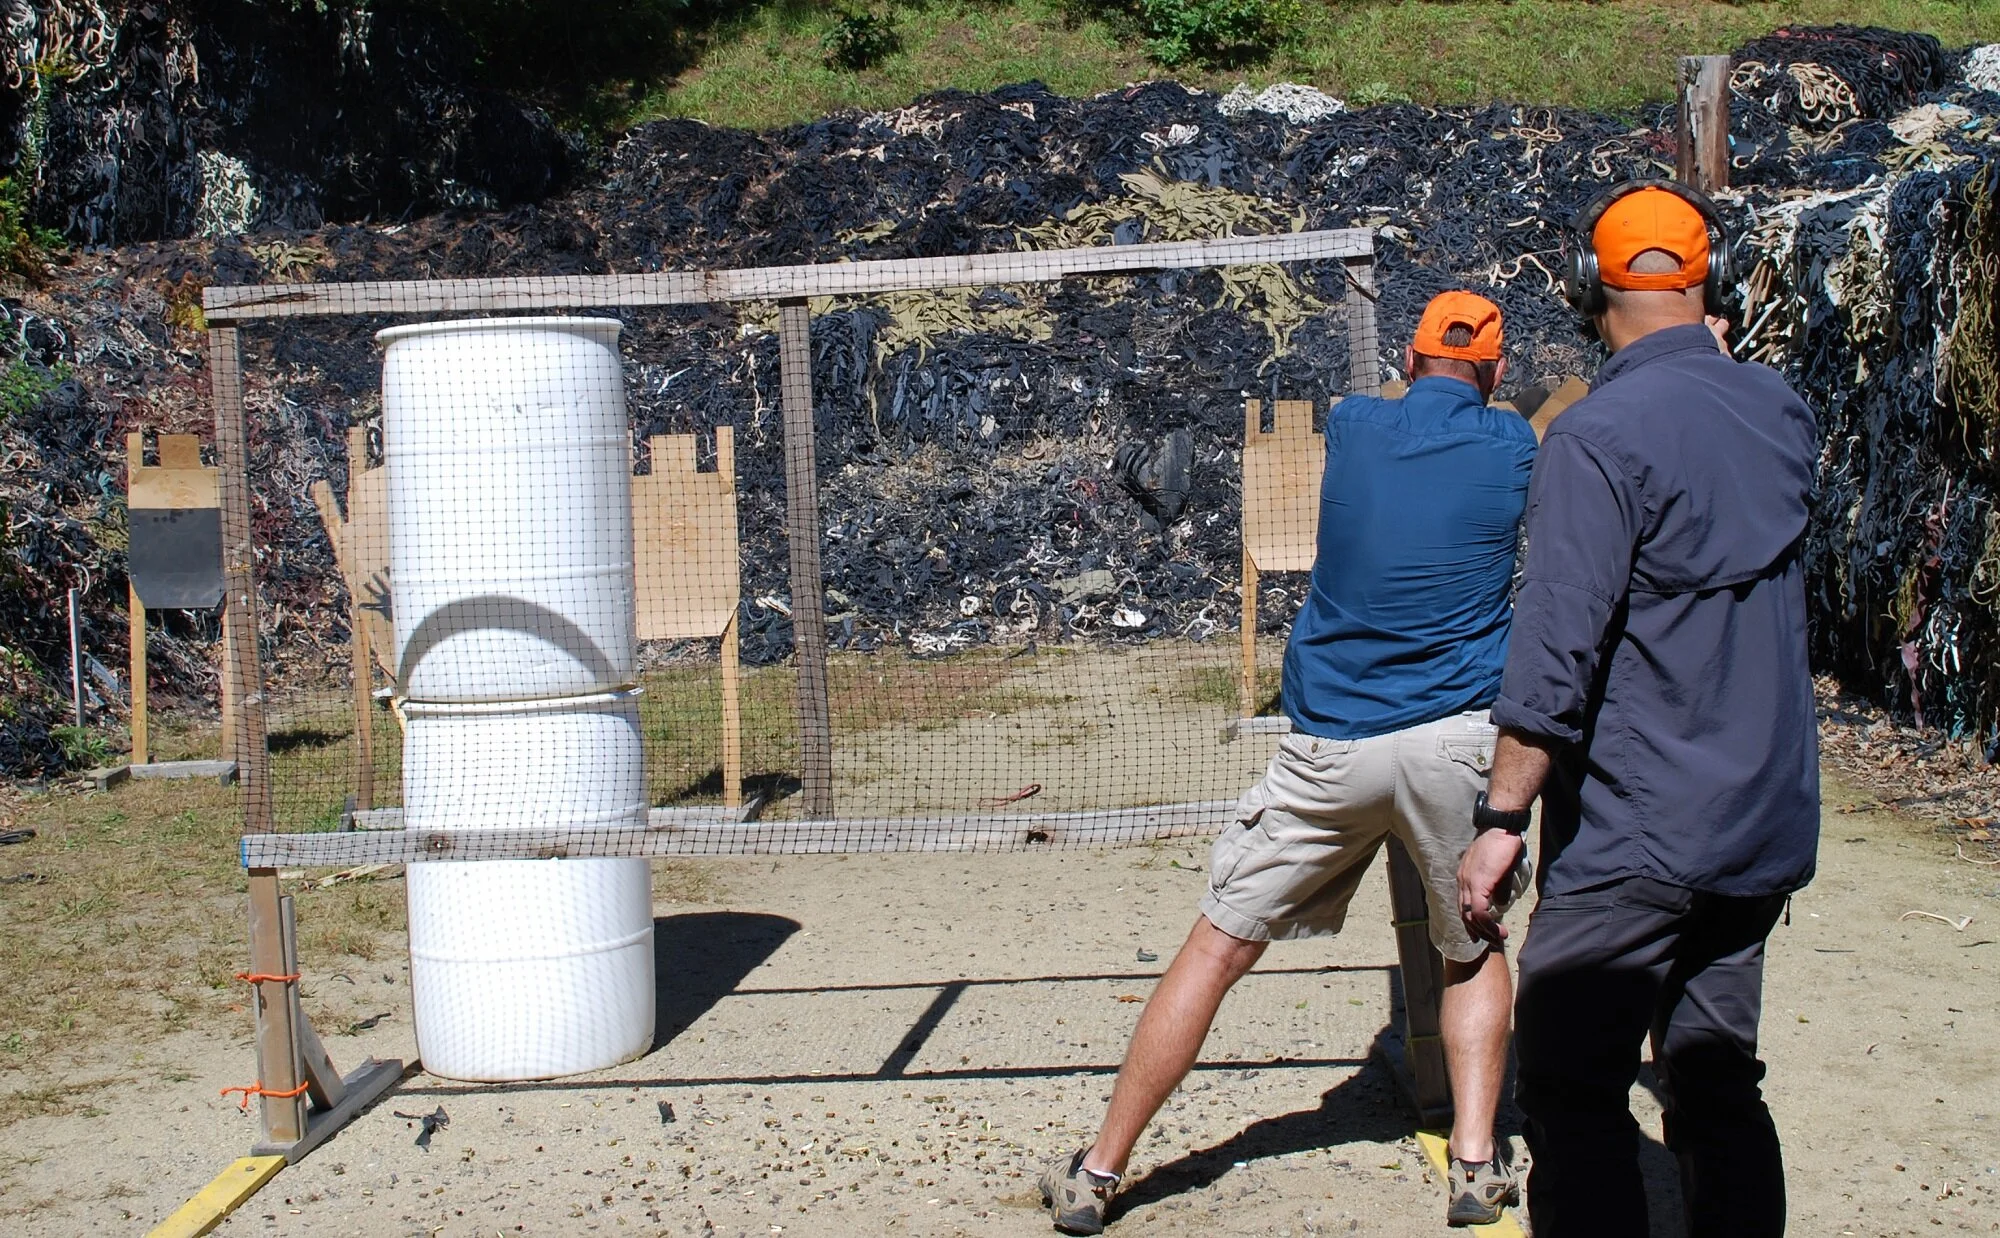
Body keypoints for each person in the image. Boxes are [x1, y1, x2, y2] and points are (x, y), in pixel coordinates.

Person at [1041, 291, 1538, 1234]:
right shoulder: (1514, 448)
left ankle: (1099, 1170)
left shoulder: (1353, 426)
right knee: (1472, 947)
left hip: (1330, 745)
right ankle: (1475, 1162)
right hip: (1457, 744)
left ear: (1407, 357)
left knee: (1218, 945)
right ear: (1496, 371)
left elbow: (1377, 411)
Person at [1456, 182, 1820, 1237]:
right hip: (1756, 821)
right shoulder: (1778, 408)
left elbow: (1554, 648)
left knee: (1571, 1096)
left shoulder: (1596, 436)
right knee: (1714, 1082)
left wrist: (1498, 822)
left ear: (1583, 287)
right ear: (1712, 281)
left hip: (1635, 832)